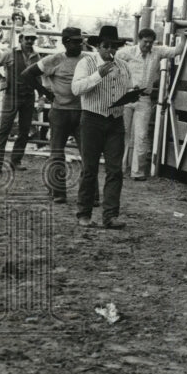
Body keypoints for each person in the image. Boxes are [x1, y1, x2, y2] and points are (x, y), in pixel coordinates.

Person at [71, 24, 136, 229]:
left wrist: (133, 94)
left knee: (115, 170)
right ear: (98, 46)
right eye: (106, 46)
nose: (110, 50)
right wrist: (98, 75)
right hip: (92, 118)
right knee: (89, 169)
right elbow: (76, 89)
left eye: (114, 47)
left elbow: (129, 87)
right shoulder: (86, 63)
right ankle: (84, 213)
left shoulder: (123, 66)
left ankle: (110, 215)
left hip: (115, 120)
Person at [22, 26, 89, 203]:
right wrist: (45, 92)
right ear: (66, 43)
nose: (79, 45)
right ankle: (58, 192)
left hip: (83, 112)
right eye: (75, 42)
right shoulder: (55, 59)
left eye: (80, 41)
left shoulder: (89, 59)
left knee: (88, 153)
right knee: (57, 153)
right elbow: (28, 74)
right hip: (60, 111)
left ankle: (90, 194)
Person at [116, 27, 187, 181]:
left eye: (151, 42)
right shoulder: (125, 53)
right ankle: (118, 169)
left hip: (144, 98)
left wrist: (184, 36)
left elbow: (177, 50)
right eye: (145, 42)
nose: (148, 45)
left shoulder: (157, 52)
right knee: (121, 133)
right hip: (125, 95)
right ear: (139, 40)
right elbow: (114, 69)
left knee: (142, 135)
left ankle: (137, 171)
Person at [0, 24, 49, 173]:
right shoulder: (9, 53)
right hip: (11, 96)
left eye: (32, 38)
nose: (29, 41)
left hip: (28, 96)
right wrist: (2, 78)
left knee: (24, 130)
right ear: (21, 38)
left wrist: (41, 96)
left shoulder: (37, 56)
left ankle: (16, 160)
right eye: (27, 38)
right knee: (4, 129)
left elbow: (38, 78)